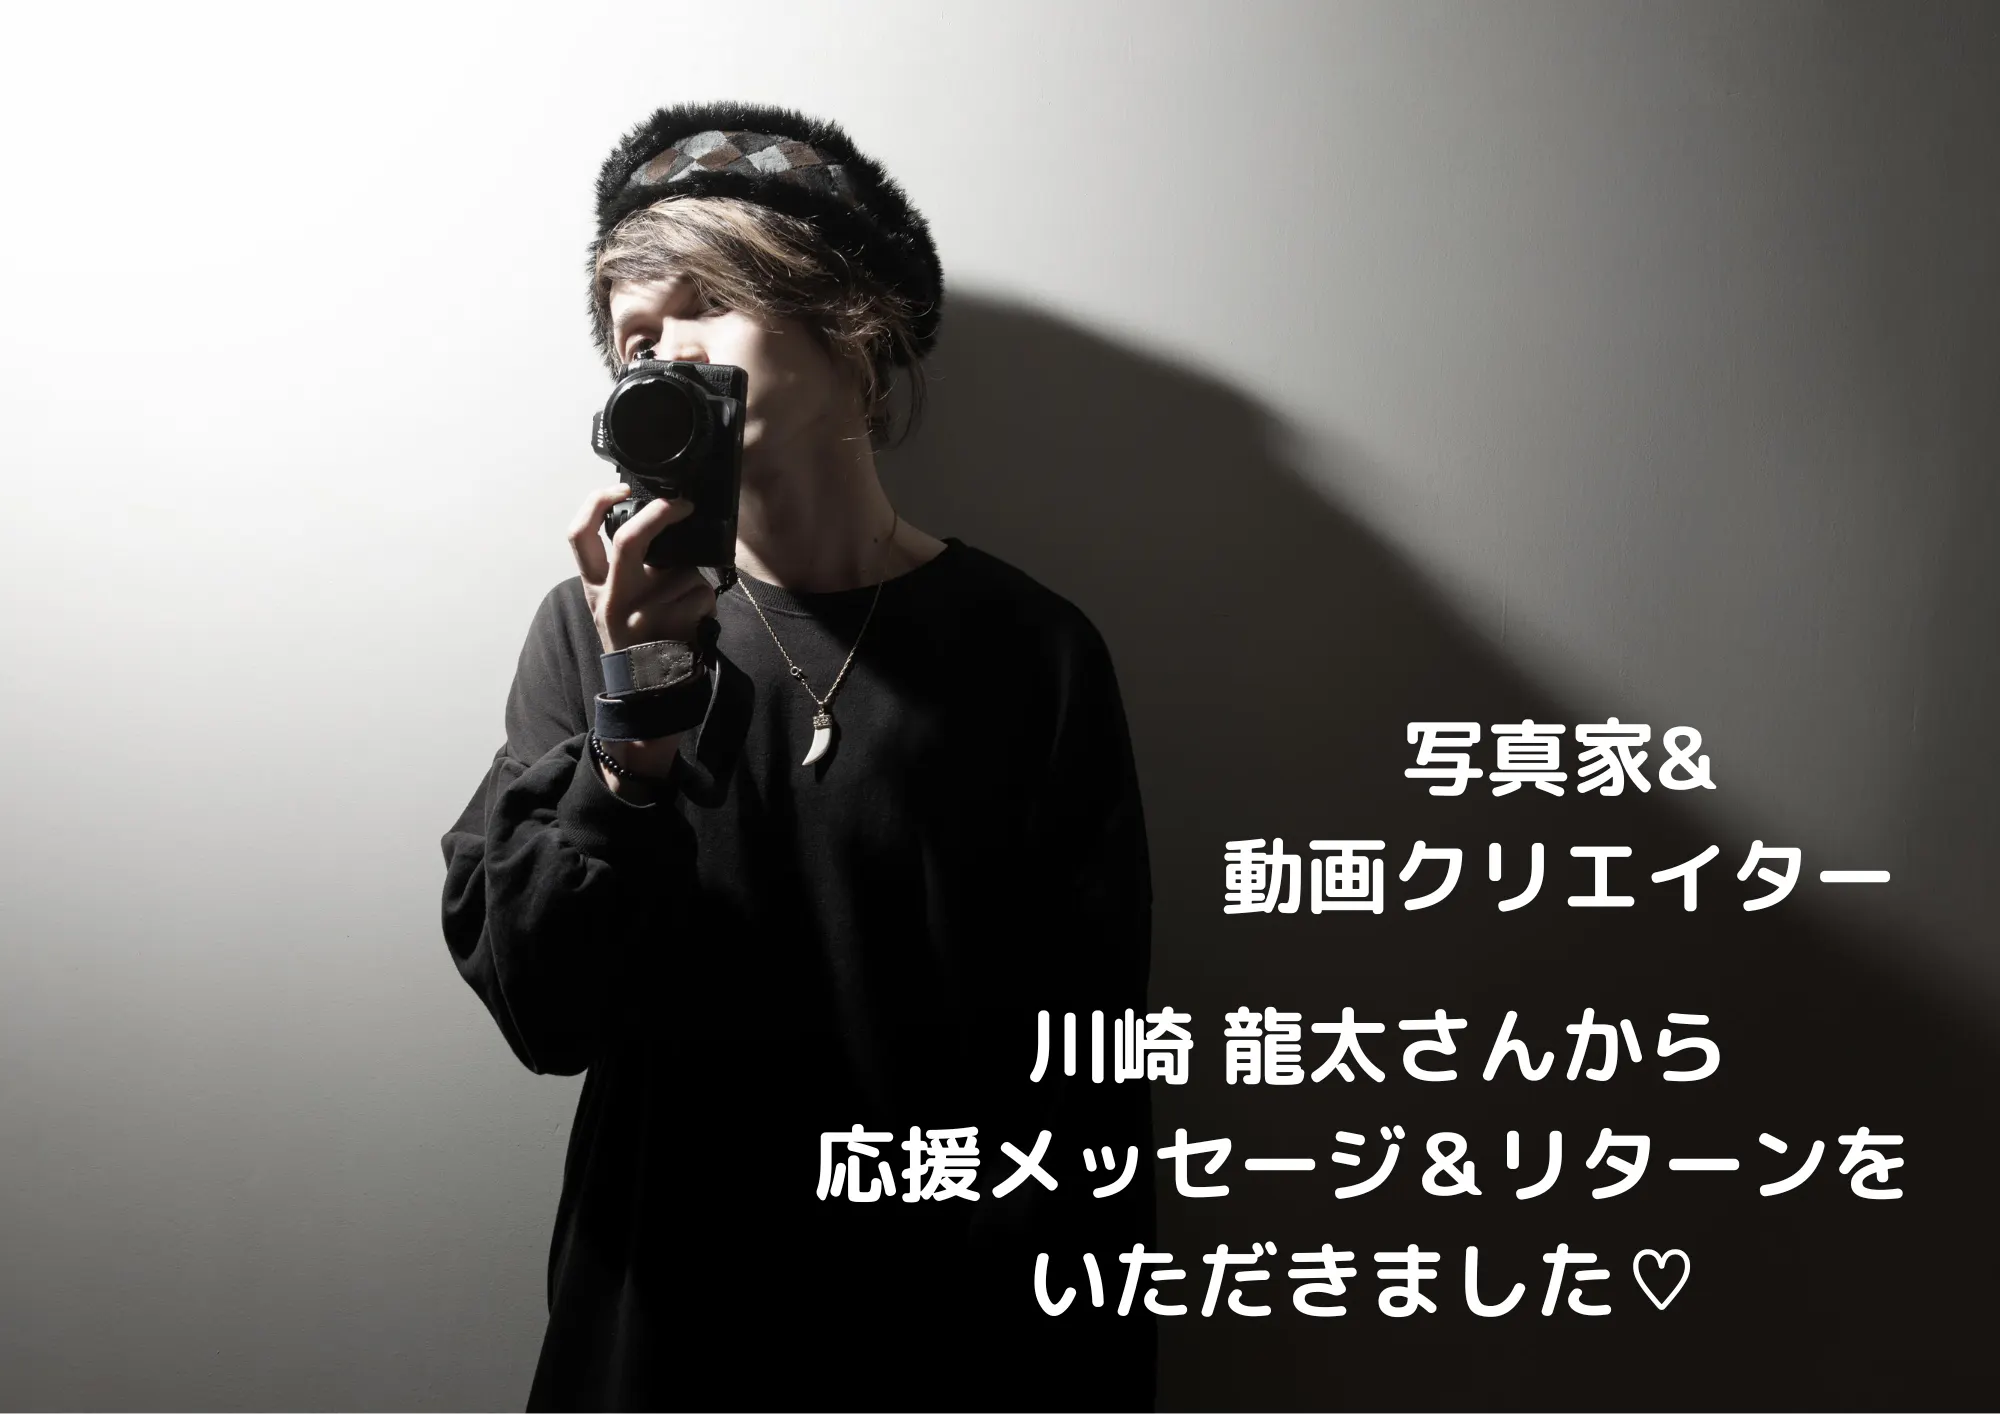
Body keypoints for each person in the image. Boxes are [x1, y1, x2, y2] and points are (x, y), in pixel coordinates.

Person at [439, 101, 1155, 1412]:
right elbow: (548, 1010)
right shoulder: (588, 628)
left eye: (708, 302)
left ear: (852, 324)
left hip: (944, 1349)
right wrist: (633, 720)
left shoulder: (1031, 653)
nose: (666, 354)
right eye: (634, 337)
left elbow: (1090, 1077)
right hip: (657, 1345)